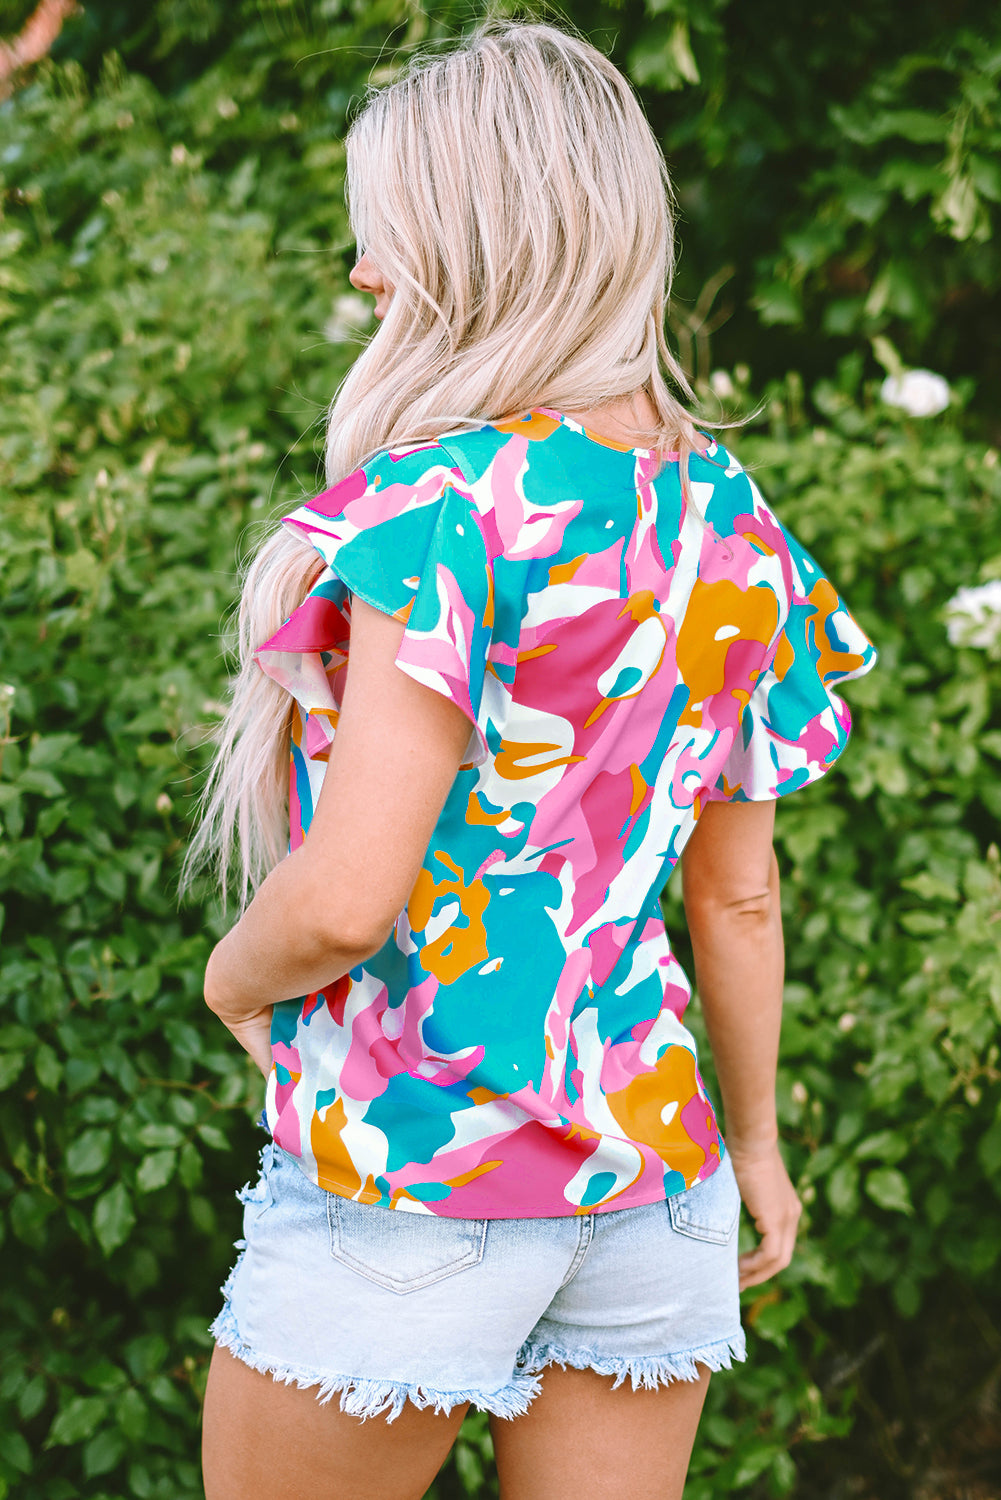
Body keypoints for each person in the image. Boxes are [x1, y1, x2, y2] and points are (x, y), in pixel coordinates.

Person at [188, 19, 877, 1500]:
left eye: (383, 235)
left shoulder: (439, 506)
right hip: (653, 1187)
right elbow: (738, 901)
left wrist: (229, 979)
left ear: (470, 242)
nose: (365, 272)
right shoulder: (730, 521)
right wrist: (753, 1145)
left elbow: (347, 896)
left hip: (416, 1180)